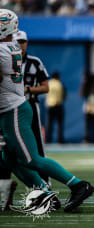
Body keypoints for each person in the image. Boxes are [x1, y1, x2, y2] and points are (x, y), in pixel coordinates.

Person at [0, 9, 94, 213]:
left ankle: (78, 185)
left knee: (31, 159)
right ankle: (44, 193)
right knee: (10, 160)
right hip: (10, 109)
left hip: (13, 110)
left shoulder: (3, 50)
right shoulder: (10, 47)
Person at [13, 30, 52, 184]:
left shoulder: (35, 62)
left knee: (37, 145)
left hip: (30, 105)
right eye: (17, 42)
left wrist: (28, 89)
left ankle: (45, 182)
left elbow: (46, 87)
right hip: (9, 108)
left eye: (22, 42)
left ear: (27, 43)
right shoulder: (5, 61)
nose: (20, 45)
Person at [46, 72, 66, 144]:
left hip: (50, 105)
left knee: (49, 124)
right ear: (58, 77)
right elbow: (64, 95)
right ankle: (60, 140)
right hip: (58, 105)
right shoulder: (60, 84)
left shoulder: (49, 83)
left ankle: (48, 140)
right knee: (60, 124)